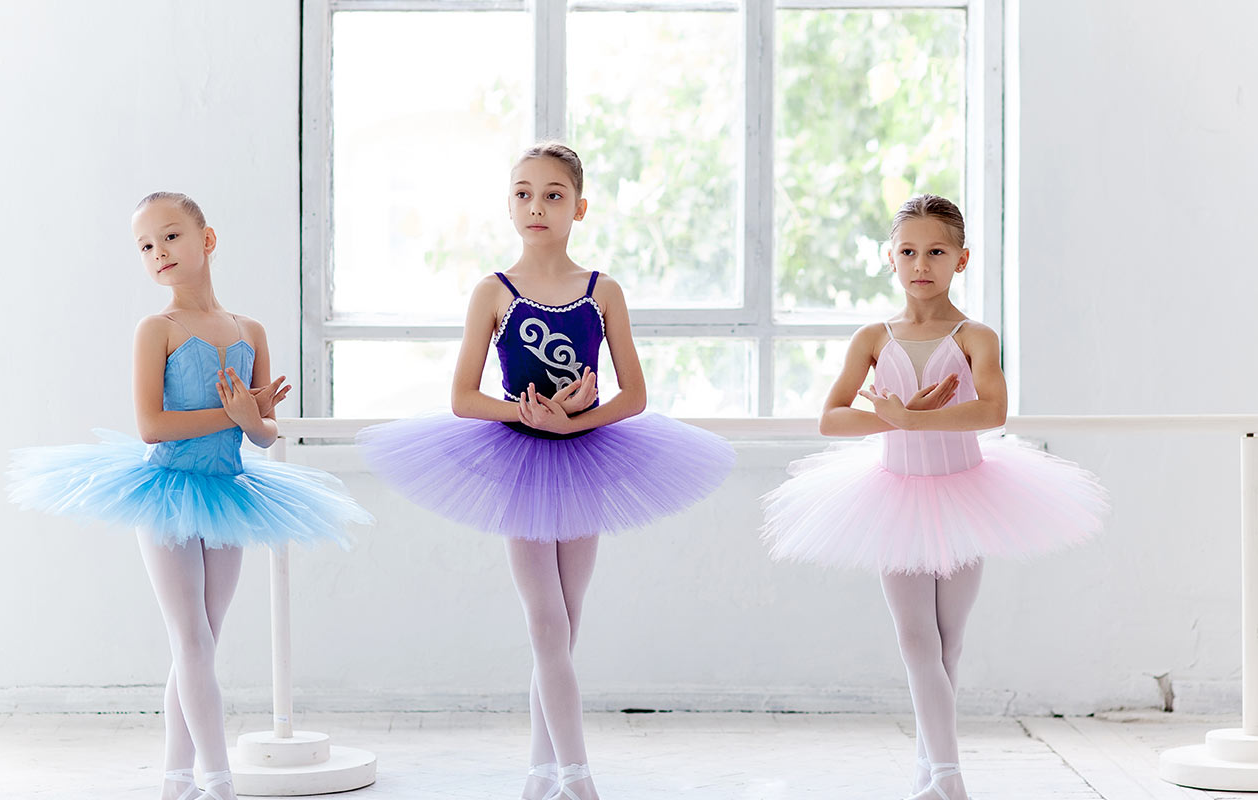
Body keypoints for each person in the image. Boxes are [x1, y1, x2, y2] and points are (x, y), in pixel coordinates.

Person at [357, 143, 736, 800]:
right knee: (545, 624)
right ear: (509, 205)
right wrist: (529, 415)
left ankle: (540, 773)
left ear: (579, 208)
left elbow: (634, 395)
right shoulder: (492, 292)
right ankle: (578, 776)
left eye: (554, 194)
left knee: (566, 623)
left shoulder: (602, 291)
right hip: (519, 462)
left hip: (586, 458)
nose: (537, 206)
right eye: (524, 193)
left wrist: (574, 422)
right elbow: (463, 397)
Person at [8, 192, 372, 800]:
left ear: (207, 240)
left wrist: (253, 419)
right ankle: (219, 783)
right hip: (166, 492)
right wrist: (233, 413)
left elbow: (263, 434)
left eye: (170, 236)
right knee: (192, 640)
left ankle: (177, 781)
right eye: (145, 246)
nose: (158, 252)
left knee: (202, 643)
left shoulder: (250, 331)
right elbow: (151, 425)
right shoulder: (157, 330)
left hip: (228, 493)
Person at [761, 194, 1108, 800]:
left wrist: (913, 419)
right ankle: (949, 778)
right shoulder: (873, 337)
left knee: (950, 639)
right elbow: (831, 418)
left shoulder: (976, 336)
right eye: (909, 251)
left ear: (961, 259)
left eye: (937, 252)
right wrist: (894, 420)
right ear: (890, 258)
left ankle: (929, 771)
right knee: (915, 636)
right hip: (894, 497)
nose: (921, 264)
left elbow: (992, 410)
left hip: (966, 492)